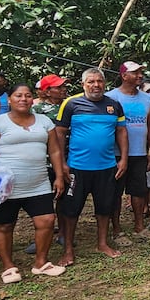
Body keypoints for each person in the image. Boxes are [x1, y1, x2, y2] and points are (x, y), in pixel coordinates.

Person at [0, 83, 67, 279]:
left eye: (27, 95)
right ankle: (8, 266)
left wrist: (59, 176)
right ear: (9, 99)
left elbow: (54, 151)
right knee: (4, 225)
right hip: (6, 186)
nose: (23, 99)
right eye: (18, 96)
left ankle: (41, 262)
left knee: (46, 221)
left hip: (38, 181)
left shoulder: (44, 121)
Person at [56, 68, 128, 264]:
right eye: (91, 82)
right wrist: (61, 163)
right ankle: (68, 249)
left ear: (104, 84)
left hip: (106, 167)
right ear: (83, 84)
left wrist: (123, 159)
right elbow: (59, 133)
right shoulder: (71, 104)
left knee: (104, 207)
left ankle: (102, 243)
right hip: (77, 167)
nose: (96, 85)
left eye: (99, 81)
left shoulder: (114, 105)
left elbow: (121, 132)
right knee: (71, 210)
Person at [107, 61, 150, 239]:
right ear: (124, 76)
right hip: (116, 154)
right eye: (135, 73)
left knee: (139, 191)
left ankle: (139, 226)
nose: (140, 76)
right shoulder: (111, 97)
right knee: (115, 193)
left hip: (139, 153)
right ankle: (117, 229)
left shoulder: (147, 98)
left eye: (141, 72)